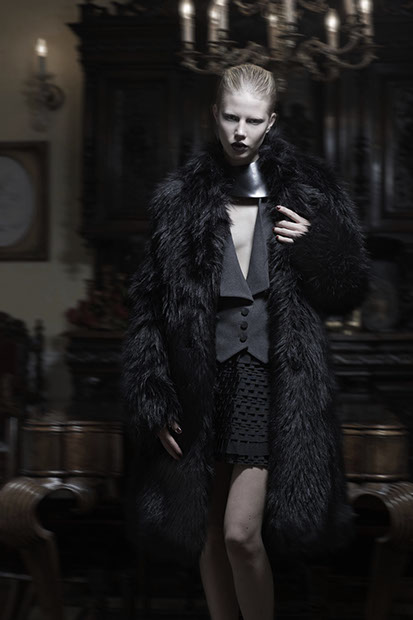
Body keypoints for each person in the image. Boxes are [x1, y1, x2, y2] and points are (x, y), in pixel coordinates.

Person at [121, 64, 370, 620]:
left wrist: (318, 244)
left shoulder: (309, 191)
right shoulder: (179, 199)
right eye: (231, 117)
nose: (239, 131)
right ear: (214, 115)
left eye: (253, 121)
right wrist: (153, 395)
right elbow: (149, 309)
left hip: (270, 380)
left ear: (270, 122)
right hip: (201, 381)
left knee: (240, 533)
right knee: (208, 534)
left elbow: (350, 287)